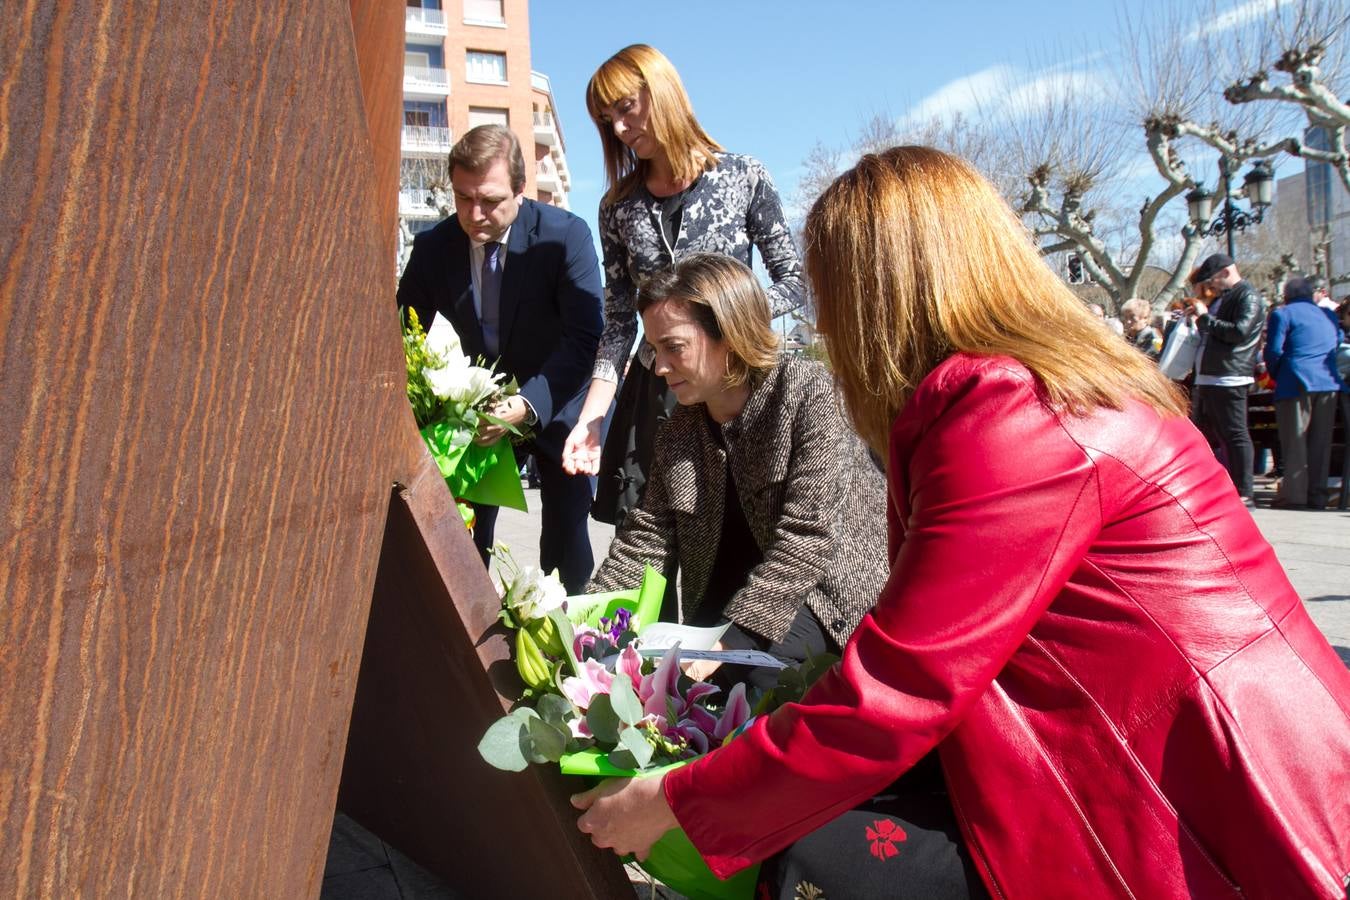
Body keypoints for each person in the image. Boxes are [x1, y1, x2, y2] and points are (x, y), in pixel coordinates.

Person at [572, 147, 1350, 899]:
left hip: (1200, 776)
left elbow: (902, 683)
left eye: (830, 297)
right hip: (1153, 742)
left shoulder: (1007, 414)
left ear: (881, 293)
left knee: (823, 857)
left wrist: (680, 800)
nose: (828, 327)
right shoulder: (1023, 387)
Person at [586, 254, 888, 688]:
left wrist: (729, 645)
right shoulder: (679, 431)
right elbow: (644, 542)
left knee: (742, 688)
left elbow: (807, 541)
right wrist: (586, 621)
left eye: (674, 346)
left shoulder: (808, 394)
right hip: (720, 612)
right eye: (653, 349)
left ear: (729, 334)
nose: (659, 366)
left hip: (823, 598)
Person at [560, 44, 805, 527]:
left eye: (626, 108)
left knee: (743, 542)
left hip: (740, 393)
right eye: (606, 120)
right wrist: (590, 420)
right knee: (650, 548)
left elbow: (793, 283)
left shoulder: (743, 176)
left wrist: (724, 321)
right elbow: (617, 323)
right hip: (657, 398)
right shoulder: (617, 207)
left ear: (663, 91)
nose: (619, 129)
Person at [397, 125, 603, 593]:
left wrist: (528, 405)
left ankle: (570, 646)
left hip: (555, 403)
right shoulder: (433, 249)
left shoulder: (564, 237)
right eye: (463, 198)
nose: (475, 214)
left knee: (566, 540)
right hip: (475, 414)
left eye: (489, 200)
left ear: (520, 189)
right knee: (464, 540)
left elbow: (583, 337)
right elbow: (404, 334)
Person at [1186, 252, 1266, 506]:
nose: (1211, 287)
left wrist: (1206, 317)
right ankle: (1220, 485)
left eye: (1212, 281)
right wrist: (1199, 319)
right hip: (1212, 376)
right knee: (1210, 434)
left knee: (1235, 434)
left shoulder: (1248, 296)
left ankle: (1245, 491)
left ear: (1225, 272)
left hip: (1230, 377)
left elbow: (1239, 332)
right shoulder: (1226, 298)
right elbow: (1214, 332)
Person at [1263, 276, 1344, 509]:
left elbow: (1273, 351)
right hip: (1328, 383)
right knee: (1321, 442)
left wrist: (1279, 373)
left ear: (1286, 295)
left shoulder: (1282, 314)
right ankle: (1317, 495)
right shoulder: (1328, 315)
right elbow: (1336, 341)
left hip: (1295, 381)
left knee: (1295, 442)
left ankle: (1295, 497)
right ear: (1311, 294)